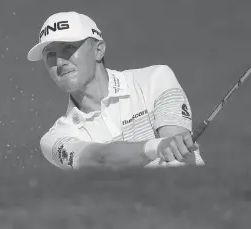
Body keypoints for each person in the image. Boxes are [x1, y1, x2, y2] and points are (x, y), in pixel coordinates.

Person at [27, 11, 205, 170]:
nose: (59, 62)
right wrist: (157, 147)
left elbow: (179, 155)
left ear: (99, 50)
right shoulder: (54, 139)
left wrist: (168, 146)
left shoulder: (155, 79)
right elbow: (99, 159)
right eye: (50, 54)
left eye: (69, 48)